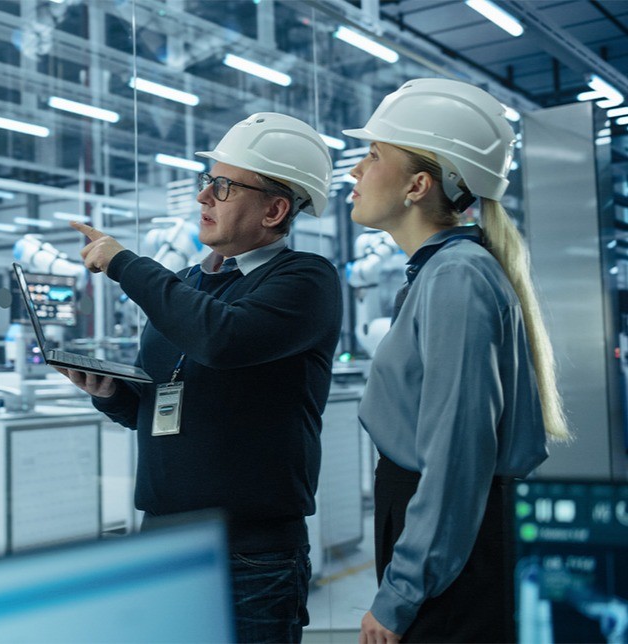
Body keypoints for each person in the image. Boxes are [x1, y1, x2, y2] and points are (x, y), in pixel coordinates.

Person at [57, 112, 341, 644]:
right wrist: (113, 396)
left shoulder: (305, 280)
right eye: (206, 183)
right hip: (164, 540)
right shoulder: (189, 283)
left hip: (249, 554)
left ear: (275, 210)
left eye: (224, 186)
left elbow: (222, 339)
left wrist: (124, 262)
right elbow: (168, 398)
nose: (203, 198)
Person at [343, 78, 571, 643]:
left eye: (373, 156)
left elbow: (457, 457)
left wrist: (399, 595)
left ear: (418, 184)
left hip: (448, 547)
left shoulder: (456, 279)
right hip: (443, 532)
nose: (355, 172)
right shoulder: (445, 273)